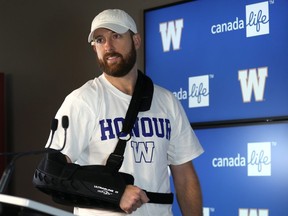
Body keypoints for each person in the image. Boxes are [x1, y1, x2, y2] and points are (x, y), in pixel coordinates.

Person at [47, 9, 204, 216]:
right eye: (99, 40)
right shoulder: (82, 101)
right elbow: (52, 173)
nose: (108, 47)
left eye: (116, 36)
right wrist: (114, 192)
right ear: (94, 48)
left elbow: (184, 175)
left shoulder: (166, 101)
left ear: (136, 40)